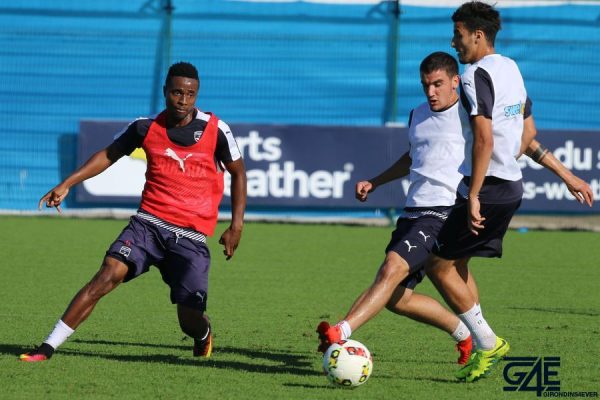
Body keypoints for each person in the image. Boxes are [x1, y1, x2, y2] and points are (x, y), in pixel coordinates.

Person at [316, 49, 594, 368]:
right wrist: (376, 181)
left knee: (392, 269)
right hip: (412, 212)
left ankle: (342, 331)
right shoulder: (416, 114)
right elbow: (413, 157)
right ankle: (466, 333)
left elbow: (527, 142)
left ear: (455, 81)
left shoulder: (470, 109)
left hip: (442, 210)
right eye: (425, 85)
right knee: (394, 297)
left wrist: (568, 176)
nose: (431, 92)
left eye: (437, 84)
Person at [19, 61, 247, 362]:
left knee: (189, 319)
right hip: (147, 226)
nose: (183, 100)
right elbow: (108, 155)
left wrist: (236, 226)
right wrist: (67, 183)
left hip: (190, 237)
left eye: (190, 94)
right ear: (165, 92)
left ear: (197, 95)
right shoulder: (145, 127)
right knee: (105, 277)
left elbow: (239, 173)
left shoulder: (216, 130)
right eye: (176, 93)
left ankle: (203, 334)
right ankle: (47, 348)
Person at [422, 1, 540, 382]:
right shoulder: (512, 67)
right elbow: (528, 133)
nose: (454, 43)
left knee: (436, 265)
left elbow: (484, 139)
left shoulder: (473, 75)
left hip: (487, 187)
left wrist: (473, 193)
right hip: (511, 185)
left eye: (458, 36)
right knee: (458, 263)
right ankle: (480, 341)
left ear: (477, 34)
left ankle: (487, 342)